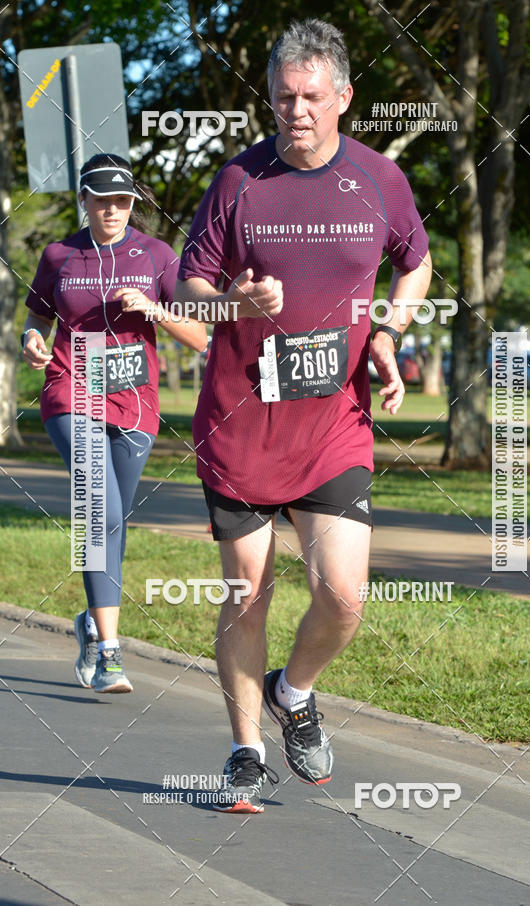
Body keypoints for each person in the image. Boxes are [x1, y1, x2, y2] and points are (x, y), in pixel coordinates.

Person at [174, 19, 432, 812]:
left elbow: (417, 265)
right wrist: (235, 302)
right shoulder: (238, 182)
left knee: (344, 595)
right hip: (242, 424)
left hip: (333, 426)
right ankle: (246, 749)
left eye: (312, 98)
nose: (297, 112)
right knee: (248, 591)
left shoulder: (381, 180)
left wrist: (388, 334)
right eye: (284, 98)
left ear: (345, 97)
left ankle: (296, 688)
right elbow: (189, 288)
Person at [22, 153, 207, 694]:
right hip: (69, 389)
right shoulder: (58, 255)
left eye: (122, 201)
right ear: (84, 200)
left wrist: (154, 310)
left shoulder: (156, 255)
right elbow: (38, 315)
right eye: (101, 200)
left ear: (133, 203)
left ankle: (90, 621)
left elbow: (200, 337)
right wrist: (30, 340)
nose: (112, 210)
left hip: (135, 404)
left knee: (113, 520)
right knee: (97, 509)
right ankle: (110, 653)